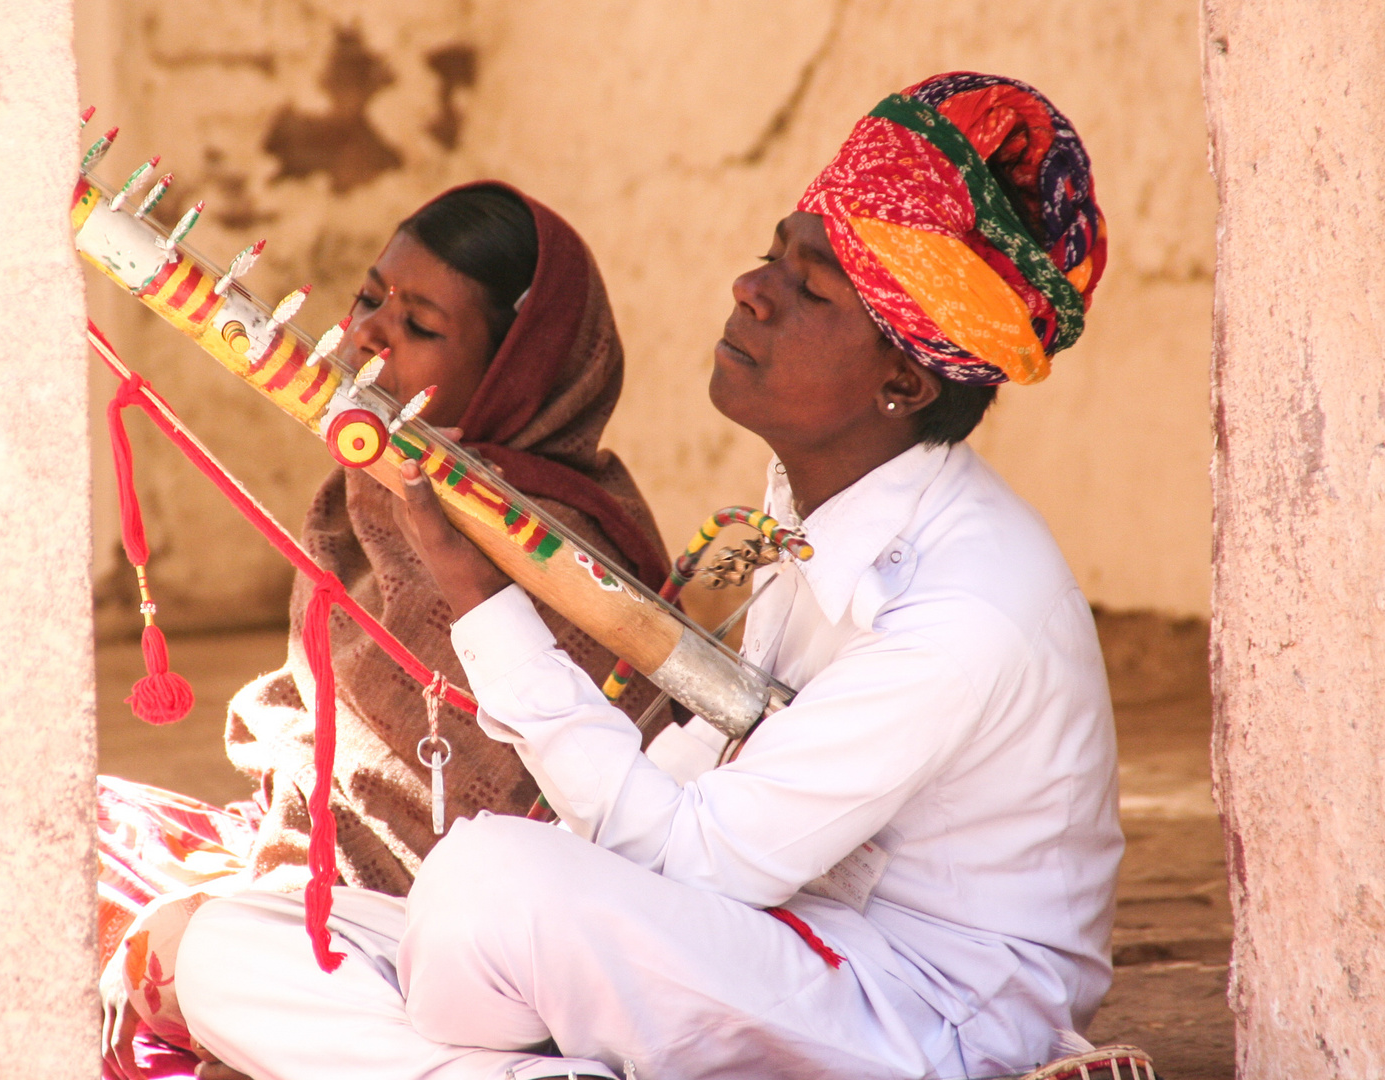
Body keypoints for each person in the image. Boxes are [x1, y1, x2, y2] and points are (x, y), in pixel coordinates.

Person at [173, 71, 1122, 1080]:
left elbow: (695, 858)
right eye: (771, 257)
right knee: (235, 937)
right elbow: (697, 791)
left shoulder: (961, 609)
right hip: (772, 936)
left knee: (489, 882)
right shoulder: (802, 524)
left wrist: (485, 604)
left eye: (806, 290)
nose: (749, 290)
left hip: (922, 1008)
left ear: (903, 380)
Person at [98, 182, 671, 1078]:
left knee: (162, 949)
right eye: (372, 298)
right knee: (71, 830)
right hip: (317, 881)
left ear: (516, 369)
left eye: (421, 325)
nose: (369, 334)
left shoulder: (551, 546)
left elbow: (516, 815)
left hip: (466, 946)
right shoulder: (372, 488)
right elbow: (328, 730)